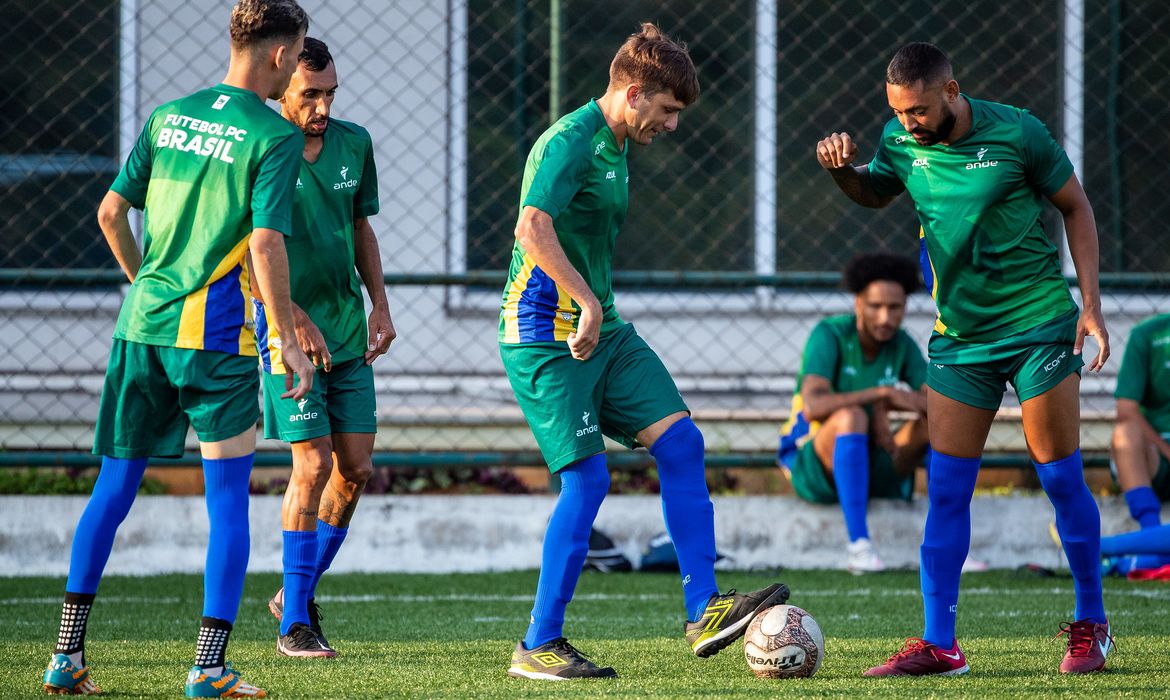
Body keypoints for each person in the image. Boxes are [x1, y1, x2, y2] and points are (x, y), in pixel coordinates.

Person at [499, 23, 788, 681]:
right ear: (634, 93)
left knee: (682, 445)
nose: (674, 126)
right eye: (668, 111)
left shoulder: (617, 142)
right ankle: (538, 643)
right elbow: (531, 227)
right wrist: (588, 302)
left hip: (604, 332)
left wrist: (598, 309)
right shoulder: (568, 142)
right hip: (546, 336)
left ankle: (704, 610)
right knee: (588, 480)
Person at [42, 1, 313, 696]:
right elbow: (264, 243)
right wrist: (287, 341)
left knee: (113, 489)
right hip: (214, 340)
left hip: (140, 329)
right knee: (228, 503)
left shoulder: (169, 114)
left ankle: (66, 658)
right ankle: (208, 667)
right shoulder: (273, 135)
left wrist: (144, 284)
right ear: (282, 56)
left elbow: (110, 212)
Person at [816, 42, 1111, 676]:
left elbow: (1076, 207)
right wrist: (842, 172)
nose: (906, 124)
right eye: (896, 112)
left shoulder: (1019, 131)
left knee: (1059, 477)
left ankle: (1093, 624)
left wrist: (1089, 302)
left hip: (1037, 326)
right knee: (948, 489)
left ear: (952, 92)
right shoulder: (899, 143)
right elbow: (874, 191)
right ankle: (940, 645)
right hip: (961, 341)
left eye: (917, 111)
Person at [253, 36, 396, 658]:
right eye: (310, 94)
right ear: (281, 87)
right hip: (287, 337)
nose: (322, 105)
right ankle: (296, 624)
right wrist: (292, 320)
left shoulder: (353, 143)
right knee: (308, 467)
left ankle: (296, 589)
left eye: (330, 93)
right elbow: (249, 251)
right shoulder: (260, 146)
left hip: (345, 332)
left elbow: (359, 227)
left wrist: (381, 305)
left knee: (356, 469)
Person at [778, 253, 929, 573]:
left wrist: (884, 407)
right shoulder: (830, 335)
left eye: (895, 307)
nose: (885, 318)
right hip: (814, 465)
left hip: (873, 459)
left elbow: (933, 403)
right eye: (876, 306)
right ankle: (859, 546)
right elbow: (814, 406)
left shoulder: (902, 344)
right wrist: (882, 394)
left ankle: (947, 541)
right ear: (858, 303)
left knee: (940, 423)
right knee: (851, 417)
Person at [1100, 312, 1170, 570]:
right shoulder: (1149, 334)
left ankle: (1107, 551)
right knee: (1125, 433)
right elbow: (1126, 411)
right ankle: (1150, 534)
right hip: (1156, 457)